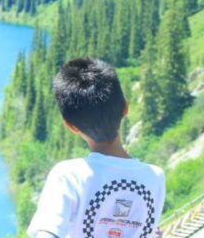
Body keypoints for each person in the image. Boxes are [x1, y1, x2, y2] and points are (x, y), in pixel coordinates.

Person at [27, 58, 166, 238]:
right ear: (125, 108)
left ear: (71, 126)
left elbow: (47, 232)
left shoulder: (69, 176)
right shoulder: (155, 177)